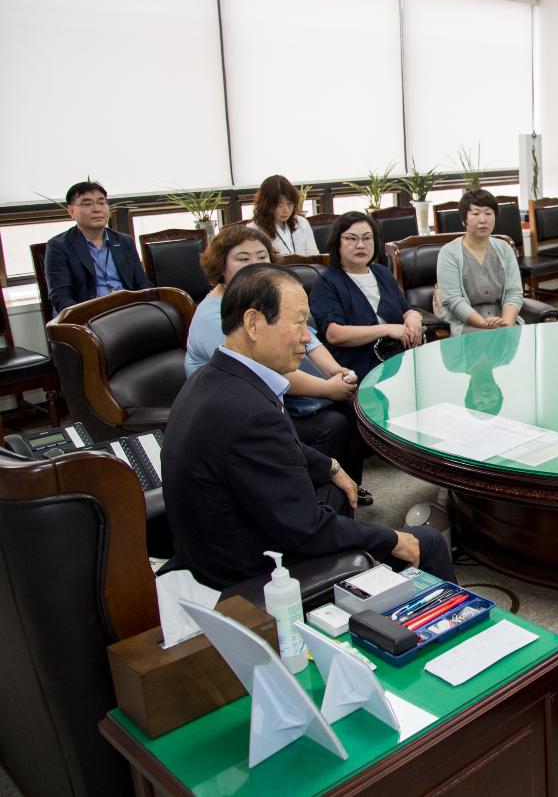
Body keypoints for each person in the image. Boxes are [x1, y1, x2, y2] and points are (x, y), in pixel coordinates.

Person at [163, 263, 454, 590]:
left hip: (218, 540)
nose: (307, 336)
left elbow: (282, 446)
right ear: (254, 323)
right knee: (426, 542)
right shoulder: (250, 413)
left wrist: (330, 465)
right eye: (300, 323)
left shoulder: (214, 376)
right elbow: (307, 528)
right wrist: (392, 538)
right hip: (251, 574)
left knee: (337, 489)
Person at [184, 225, 370, 496]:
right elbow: (260, 372)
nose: (255, 265)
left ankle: (349, 488)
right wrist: (328, 388)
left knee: (350, 407)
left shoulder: (265, 298)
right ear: (221, 266)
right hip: (237, 411)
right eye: (243, 259)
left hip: (276, 395)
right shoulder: (215, 317)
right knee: (332, 424)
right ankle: (308, 496)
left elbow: (309, 340)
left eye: (262, 257)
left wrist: (335, 371)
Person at [310, 212, 424, 379]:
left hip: (397, 361)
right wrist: (387, 329)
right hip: (357, 369)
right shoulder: (326, 283)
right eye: (351, 238)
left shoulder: (382, 273)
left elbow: (404, 309)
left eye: (367, 238)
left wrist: (413, 316)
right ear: (337, 243)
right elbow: (334, 334)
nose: (361, 245)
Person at [45, 180, 151, 313]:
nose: (97, 209)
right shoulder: (59, 246)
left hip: (126, 311)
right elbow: (61, 297)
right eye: (87, 204)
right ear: (71, 211)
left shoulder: (124, 241)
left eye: (101, 202)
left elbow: (143, 285)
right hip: (87, 316)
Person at [436, 188, 525, 336]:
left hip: (503, 320)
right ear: (464, 219)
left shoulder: (505, 249)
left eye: (488, 213)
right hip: (466, 324)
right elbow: (454, 301)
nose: (483, 219)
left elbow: (514, 293)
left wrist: (506, 324)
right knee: (486, 343)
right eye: (476, 213)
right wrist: (484, 325)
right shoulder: (449, 253)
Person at [251, 174, 318, 256]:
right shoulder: (254, 229)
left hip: (306, 268)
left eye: (289, 203)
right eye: (279, 205)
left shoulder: (302, 223)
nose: (286, 210)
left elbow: (314, 256)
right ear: (266, 204)